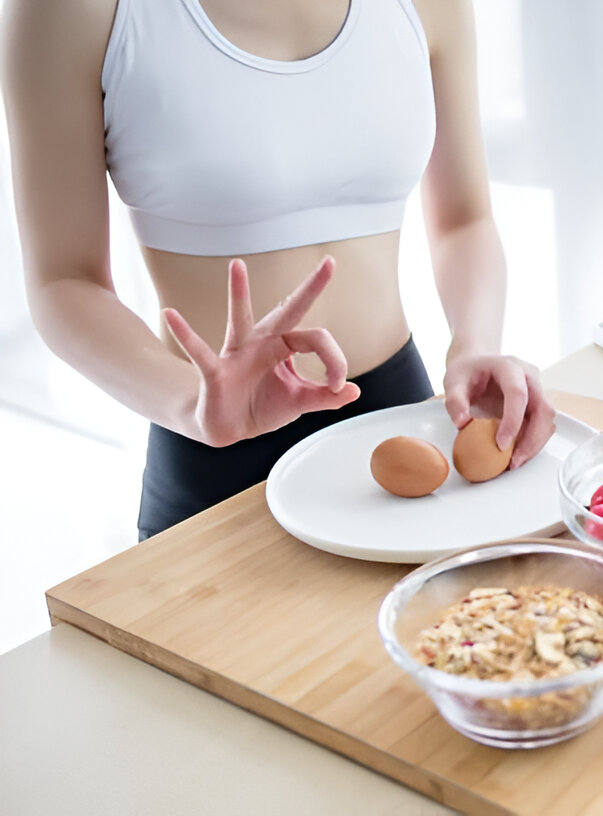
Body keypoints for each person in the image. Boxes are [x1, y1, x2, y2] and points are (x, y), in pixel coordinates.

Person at [1, 0, 556, 540]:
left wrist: (475, 344)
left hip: (395, 420)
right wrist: (191, 405)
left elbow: (465, 220)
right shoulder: (71, 9)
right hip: (213, 447)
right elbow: (63, 280)